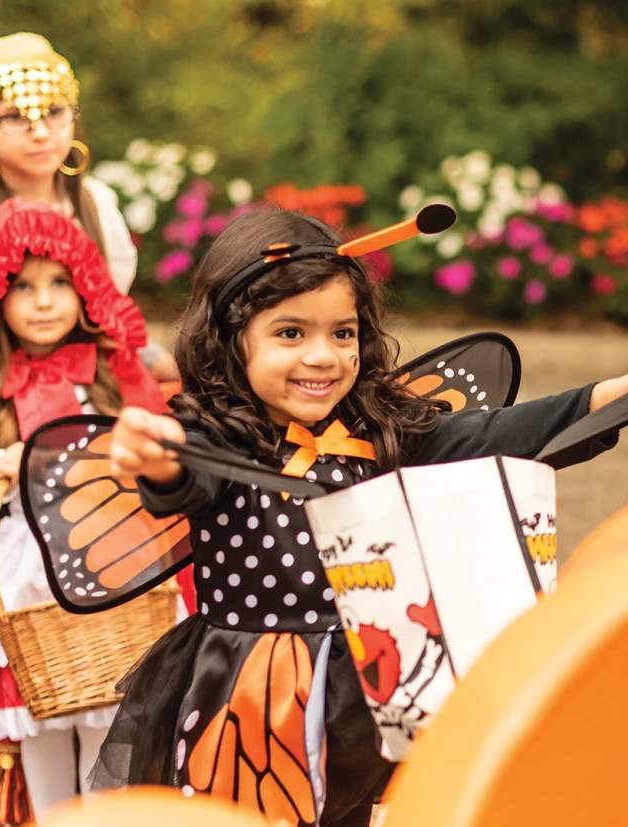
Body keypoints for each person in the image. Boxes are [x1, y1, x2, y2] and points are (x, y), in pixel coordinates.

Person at [93, 208, 626, 827]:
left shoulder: (380, 430)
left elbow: (508, 433)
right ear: (230, 337)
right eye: (290, 334)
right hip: (254, 697)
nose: (323, 358)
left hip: (365, 685)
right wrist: (156, 459)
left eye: (342, 334)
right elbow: (182, 477)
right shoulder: (213, 435)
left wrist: (611, 396)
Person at [0, 198, 167, 819]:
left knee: (105, 715)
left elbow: (158, 453)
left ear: (86, 286)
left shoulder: (109, 374)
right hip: (24, 575)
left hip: (107, 558)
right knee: (40, 725)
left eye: (59, 283)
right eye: (23, 286)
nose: (43, 302)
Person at [0, 31, 177, 381]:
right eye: (15, 117)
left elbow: (111, 311)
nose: (41, 132)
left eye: (54, 112)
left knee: (171, 374)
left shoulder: (95, 201)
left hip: (90, 360)